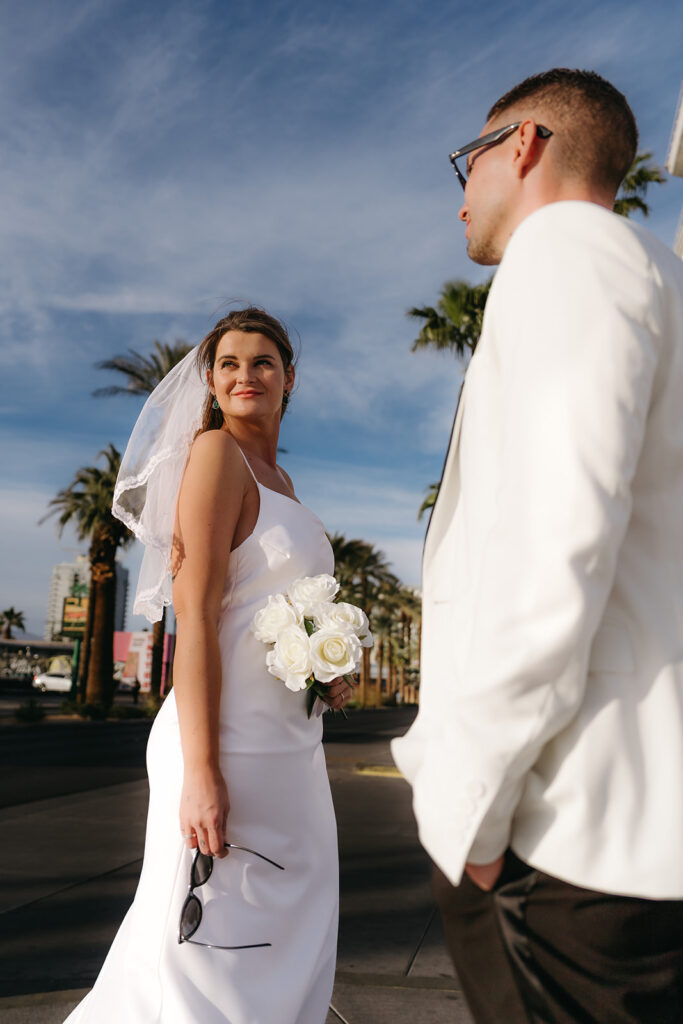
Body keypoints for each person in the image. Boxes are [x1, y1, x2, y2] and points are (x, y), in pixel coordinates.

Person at [392, 69, 683, 1023]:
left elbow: (554, 541)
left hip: (567, 837)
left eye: (463, 161)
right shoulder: (655, 269)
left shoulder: (565, 252)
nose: (459, 192)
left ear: (521, 145)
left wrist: (472, 806)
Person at [64, 306, 353, 1024]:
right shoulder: (215, 455)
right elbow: (195, 611)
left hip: (292, 752)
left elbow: (273, 609)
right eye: (228, 363)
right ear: (210, 381)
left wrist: (324, 666)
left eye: (262, 362)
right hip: (224, 744)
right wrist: (201, 772)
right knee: (207, 948)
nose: (245, 375)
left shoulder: (282, 483)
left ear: (290, 378)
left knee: (294, 927)